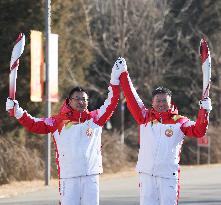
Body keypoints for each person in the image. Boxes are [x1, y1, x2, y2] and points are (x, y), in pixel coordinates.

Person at [5, 57, 125, 205]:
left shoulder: (95, 118)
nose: (81, 102)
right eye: (77, 99)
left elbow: (112, 102)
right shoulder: (57, 122)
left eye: (84, 99)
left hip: (91, 176)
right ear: (69, 100)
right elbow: (34, 124)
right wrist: (18, 112)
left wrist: (115, 80)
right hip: (69, 177)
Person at [114, 57, 212, 205]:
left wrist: (205, 110)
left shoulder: (179, 121)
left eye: (164, 101)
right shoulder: (144, 117)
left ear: (170, 102)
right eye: (158, 101)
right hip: (147, 176)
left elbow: (199, 131)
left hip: (168, 176)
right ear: (152, 102)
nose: (161, 104)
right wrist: (123, 73)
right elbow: (131, 96)